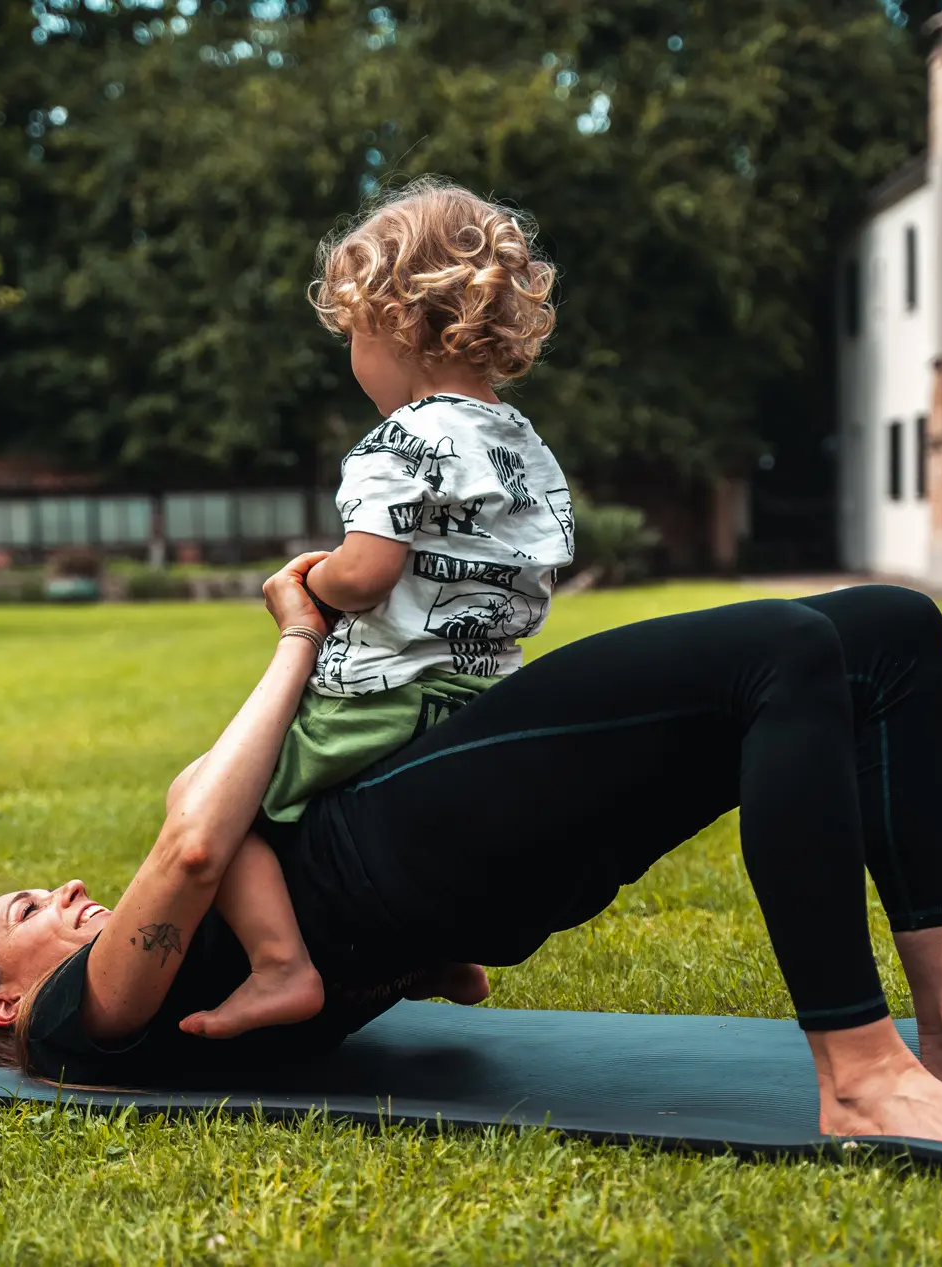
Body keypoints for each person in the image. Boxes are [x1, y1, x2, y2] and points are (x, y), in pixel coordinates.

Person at [0, 559, 942, 1147]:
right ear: (5, 998)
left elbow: (420, 975)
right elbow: (194, 843)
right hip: (416, 843)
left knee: (885, 629)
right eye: (26, 907)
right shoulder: (74, 1028)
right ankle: (858, 1075)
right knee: (781, 649)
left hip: (469, 868)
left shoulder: (196, 996)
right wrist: (299, 635)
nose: (67, 891)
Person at [93, 178, 574, 1044]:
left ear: (394, 326)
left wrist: (310, 587)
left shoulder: (395, 442)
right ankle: (440, 952)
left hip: (382, 695)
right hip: (485, 695)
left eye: (352, 336)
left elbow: (370, 574)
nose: (351, 359)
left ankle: (282, 968)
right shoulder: (524, 444)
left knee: (209, 798)